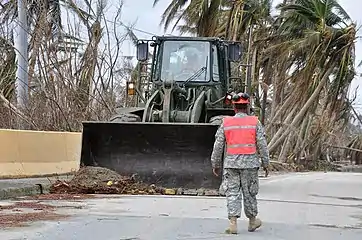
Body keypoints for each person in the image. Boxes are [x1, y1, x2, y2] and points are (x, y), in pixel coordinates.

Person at [210, 92, 270, 234]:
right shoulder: (255, 122)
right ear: (248, 106)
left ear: (234, 107)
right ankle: (252, 221)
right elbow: (262, 144)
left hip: (231, 165)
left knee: (232, 193)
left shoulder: (226, 122)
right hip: (250, 164)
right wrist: (266, 163)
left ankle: (233, 223)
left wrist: (215, 164)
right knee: (250, 193)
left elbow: (218, 146)